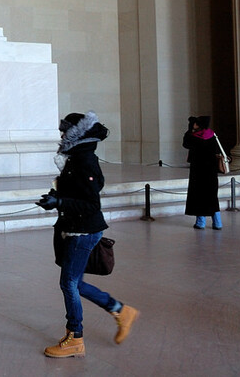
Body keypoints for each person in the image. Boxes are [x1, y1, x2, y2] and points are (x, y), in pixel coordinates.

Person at [36, 111, 138, 358]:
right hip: (76, 228)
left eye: (65, 130)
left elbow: (92, 204)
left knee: (69, 283)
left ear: (76, 133)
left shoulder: (85, 160)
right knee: (75, 282)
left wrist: (59, 202)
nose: (61, 134)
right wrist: (56, 197)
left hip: (83, 231)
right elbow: (82, 191)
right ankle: (121, 311)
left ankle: (75, 337)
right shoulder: (76, 158)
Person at [183, 115, 222, 230]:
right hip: (211, 171)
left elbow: (185, 144)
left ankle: (201, 222)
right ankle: (217, 222)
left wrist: (190, 130)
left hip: (198, 171)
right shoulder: (212, 135)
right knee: (212, 197)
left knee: (198, 196)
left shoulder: (193, 137)